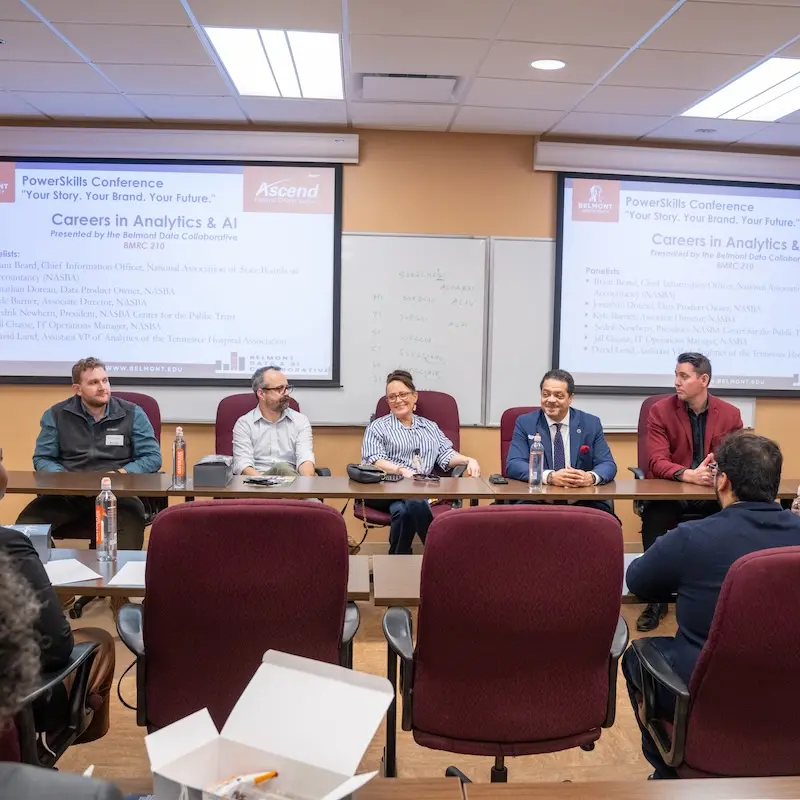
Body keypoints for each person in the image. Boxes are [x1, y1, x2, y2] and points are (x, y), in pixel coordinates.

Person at [623, 431, 800, 779]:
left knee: (638, 656)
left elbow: (639, 580)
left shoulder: (692, 537)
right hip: (790, 688)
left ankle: (669, 769)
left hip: (710, 691)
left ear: (722, 481)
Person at [0, 451, 116, 751]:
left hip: (115, 495)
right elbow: (55, 646)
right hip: (9, 698)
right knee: (98, 640)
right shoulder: (9, 545)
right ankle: (44, 745)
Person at [637, 352, 743, 632]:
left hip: (713, 492)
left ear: (703, 380)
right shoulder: (660, 410)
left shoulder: (730, 414)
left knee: (736, 517)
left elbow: (736, 458)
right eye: (676, 375)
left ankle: (723, 596)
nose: (676, 382)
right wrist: (688, 475)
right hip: (673, 491)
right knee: (655, 516)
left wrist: (716, 474)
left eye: (683, 376)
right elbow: (655, 461)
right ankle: (657, 599)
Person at [15, 357, 162, 551]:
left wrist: (121, 474)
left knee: (128, 525)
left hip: (117, 495)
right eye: (93, 382)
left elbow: (152, 457)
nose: (103, 387)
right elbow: (43, 458)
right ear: (77, 389)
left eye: (105, 380)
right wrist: (64, 478)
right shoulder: (56, 415)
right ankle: (51, 575)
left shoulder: (132, 413)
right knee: (26, 528)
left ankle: (115, 579)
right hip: (68, 495)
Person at [361, 370, 480, 554]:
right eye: (392, 397)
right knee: (414, 501)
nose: (398, 400)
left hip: (421, 490)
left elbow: (446, 455)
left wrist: (468, 459)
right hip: (386, 488)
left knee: (403, 511)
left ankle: (397, 560)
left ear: (414, 396)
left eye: (403, 394)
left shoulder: (429, 427)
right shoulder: (378, 427)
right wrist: (401, 471)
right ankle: (440, 553)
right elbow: (374, 460)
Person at [505, 369, 617, 513]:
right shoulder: (526, 423)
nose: (551, 400)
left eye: (558, 395)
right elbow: (513, 464)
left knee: (607, 525)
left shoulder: (590, 423)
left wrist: (590, 477)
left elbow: (607, 464)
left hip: (582, 503)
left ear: (570, 398)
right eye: (546, 394)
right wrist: (550, 476)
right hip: (536, 502)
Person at [233, 366, 316, 477]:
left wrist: (307, 482)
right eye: (279, 389)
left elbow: (305, 458)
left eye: (287, 388)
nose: (286, 393)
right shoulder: (244, 424)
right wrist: (265, 484)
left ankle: (306, 494)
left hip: (292, 482)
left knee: (286, 470)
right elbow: (243, 465)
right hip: (258, 483)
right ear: (261, 394)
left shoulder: (300, 421)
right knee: (281, 468)